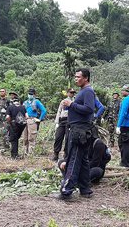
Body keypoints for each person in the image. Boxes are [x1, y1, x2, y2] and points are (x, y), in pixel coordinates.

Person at [58, 68, 95, 200]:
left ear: (86, 78)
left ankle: (66, 190)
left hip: (80, 130)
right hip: (78, 128)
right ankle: (85, 189)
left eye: (78, 77)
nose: (76, 79)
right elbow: (81, 109)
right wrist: (68, 105)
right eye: (75, 77)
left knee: (73, 159)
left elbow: (89, 109)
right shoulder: (83, 92)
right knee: (83, 160)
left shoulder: (88, 91)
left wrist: (72, 104)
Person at [22, 88, 47, 155]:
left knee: (31, 137)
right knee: (25, 137)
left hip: (32, 120)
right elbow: (22, 111)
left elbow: (44, 110)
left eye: (31, 94)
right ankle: (25, 152)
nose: (30, 95)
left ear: (34, 94)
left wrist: (39, 119)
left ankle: (31, 153)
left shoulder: (36, 101)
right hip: (25, 120)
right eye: (29, 94)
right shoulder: (25, 102)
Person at [54, 88, 76, 161]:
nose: (72, 94)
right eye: (70, 92)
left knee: (68, 138)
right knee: (58, 137)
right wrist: (57, 122)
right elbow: (59, 111)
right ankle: (56, 153)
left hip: (70, 120)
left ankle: (66, 154)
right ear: (67, 93)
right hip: (62, 120)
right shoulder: (63, 101)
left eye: (73, 93)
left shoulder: (75, 101)